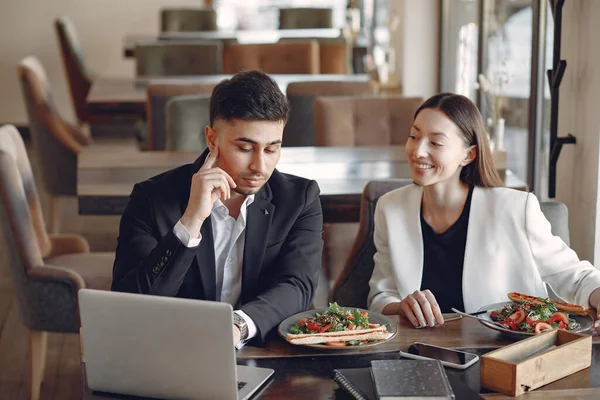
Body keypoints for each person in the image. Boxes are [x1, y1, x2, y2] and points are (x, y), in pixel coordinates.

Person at [112, 70, 323, 347]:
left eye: (271, 150)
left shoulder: (299, 199)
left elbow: (297, 286)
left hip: (264, 352)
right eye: (245, 148)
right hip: (171, 350)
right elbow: (132, 303)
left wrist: (236, 326)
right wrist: (190, 222)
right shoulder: (151, 198)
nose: (260, 166)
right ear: (212, 139)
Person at [367, 93, 600, 333]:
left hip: (506, 352)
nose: (418, 151)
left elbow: (574, 275)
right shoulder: (390, 207)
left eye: (435, 143)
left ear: (469, 155)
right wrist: (401, 306)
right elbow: (380, 295)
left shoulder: (517, 208)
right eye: (413, 137)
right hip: (420, 350)